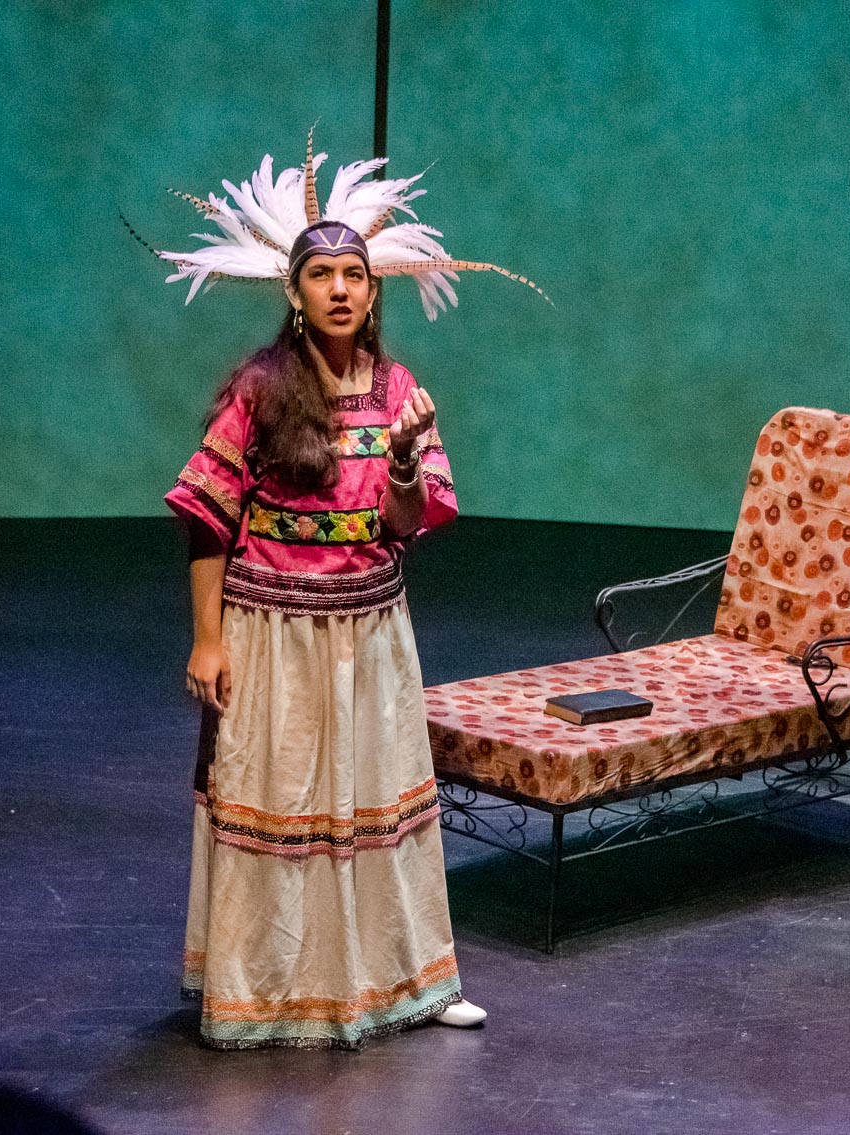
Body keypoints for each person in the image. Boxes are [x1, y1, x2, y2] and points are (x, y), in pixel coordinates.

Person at [151, 138, 536, 1049]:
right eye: (320, 273)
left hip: (369, 632)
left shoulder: (401, 390)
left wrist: (402, 457)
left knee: (379, 802)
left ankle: (410, 979)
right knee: (278, 802)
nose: (337, 289)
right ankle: (260, 989)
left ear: (372, 290)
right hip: (272, 630)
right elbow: (206, 516)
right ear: (295, 291)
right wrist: (207, 639)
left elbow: (407, 519)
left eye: (352, 274)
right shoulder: (259, 390)